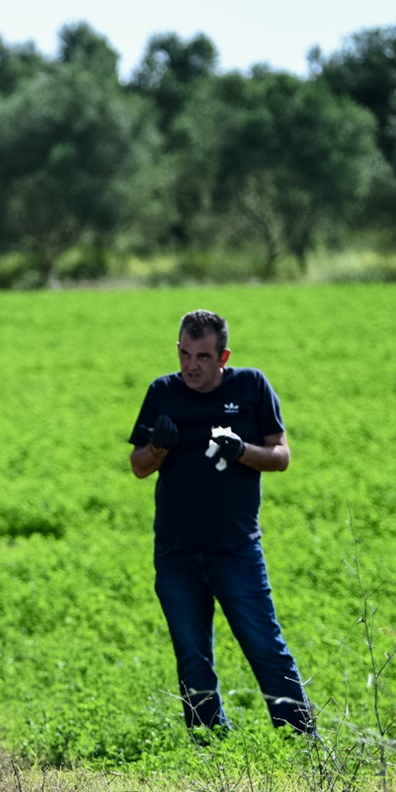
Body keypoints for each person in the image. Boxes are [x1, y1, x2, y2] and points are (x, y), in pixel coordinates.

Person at [127, 309, 315, 735]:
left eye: (203, 356)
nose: (191, 365)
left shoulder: (251, 387)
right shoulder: (162, 392)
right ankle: (211, 746)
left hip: (236, 550)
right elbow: (138, 466)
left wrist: (240, 450)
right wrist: (158, 446)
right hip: (176, 552)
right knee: (192, 656)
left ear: (223, 356)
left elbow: (281, 457)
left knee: (266, 648)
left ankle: (303, 742)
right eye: (185, 354)